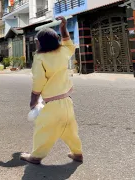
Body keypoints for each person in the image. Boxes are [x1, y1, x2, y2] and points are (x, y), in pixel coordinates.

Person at [19, 16, 83, 164]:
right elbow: (69, 44)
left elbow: (38, 81)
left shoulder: (40, 58)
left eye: (37, 41)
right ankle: (77, 153)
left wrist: (33, 100)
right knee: (70, 129)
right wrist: (63, 28)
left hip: (52, 104)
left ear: (41, 43)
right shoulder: (62, 52)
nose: (36, 43)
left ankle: (35, 156)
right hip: (67, 101)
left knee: (43, 129)